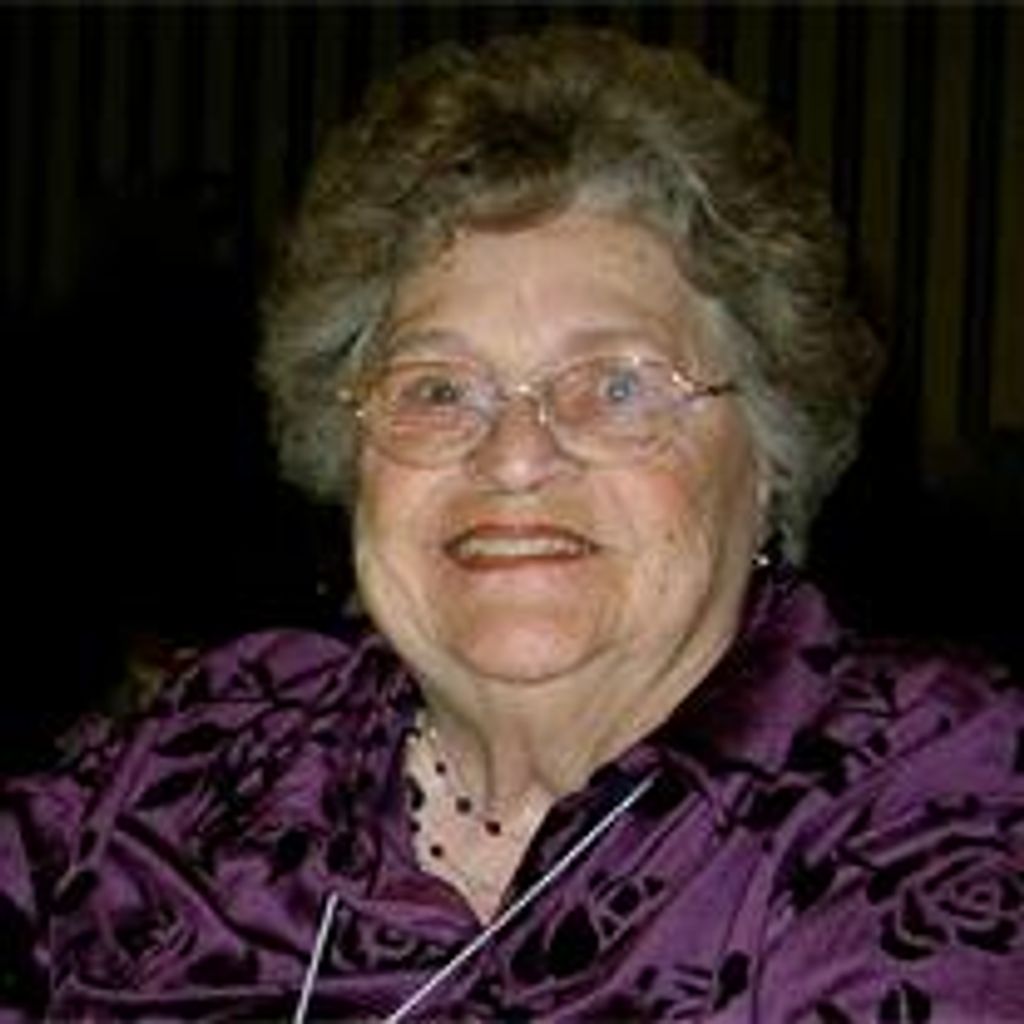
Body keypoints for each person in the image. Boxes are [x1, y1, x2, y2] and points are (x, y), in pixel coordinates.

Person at [1, 26, 1020, 1023]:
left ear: (769, 452)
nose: (515, 457)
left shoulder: (934, 792)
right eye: (438, 387)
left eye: (616, 386)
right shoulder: (206, 750)